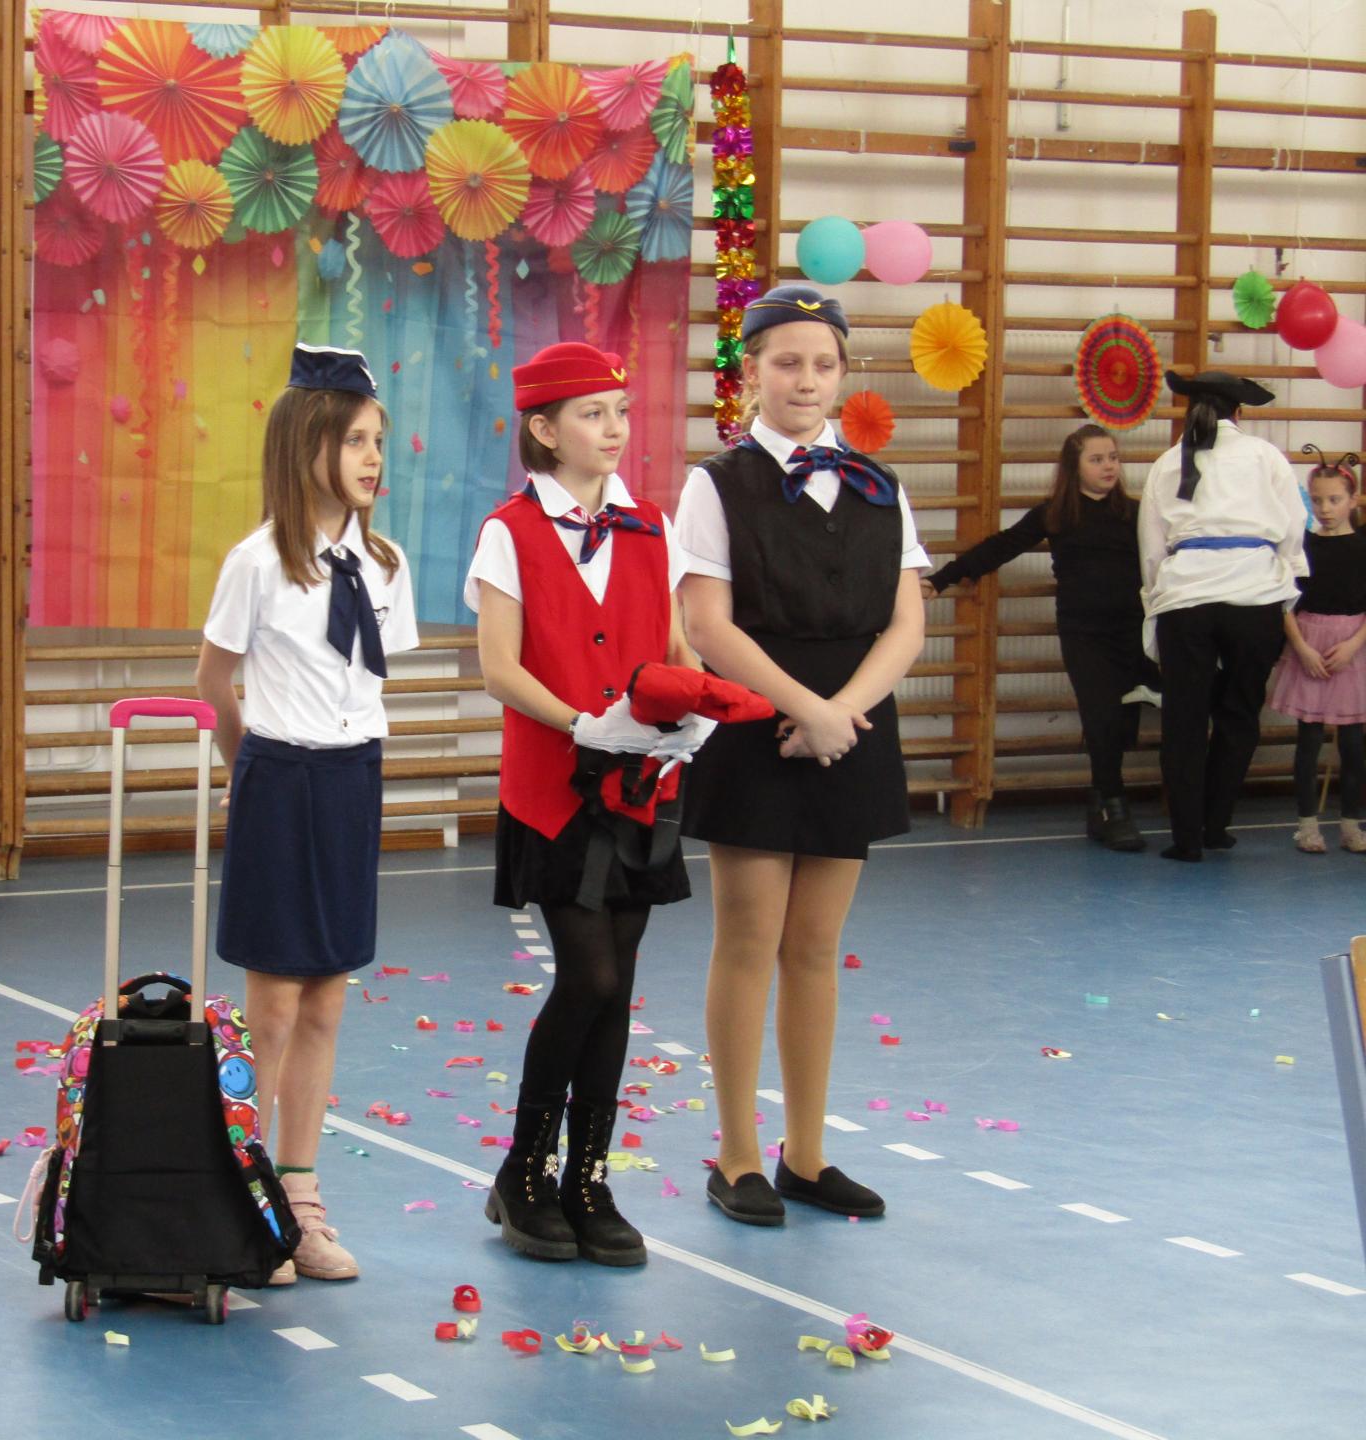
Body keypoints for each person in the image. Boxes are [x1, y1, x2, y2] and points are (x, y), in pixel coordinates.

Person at [674, 284, 927, 1227]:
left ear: (843, 373)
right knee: (749, 939)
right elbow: (708, 624)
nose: (807, 380)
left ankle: (806, 1156)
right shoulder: (717, 484)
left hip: (847, 728)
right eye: (787, 363)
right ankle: (738, 1155)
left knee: (817, 947)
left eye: (824, 364)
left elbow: (906, 622)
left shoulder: (879, 485)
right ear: (752, 372)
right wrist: (804, 708)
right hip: (756, 721)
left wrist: (841, 714)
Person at [466, 340, 712, 1267]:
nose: (614, 429)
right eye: (592, 414)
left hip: (644, 789)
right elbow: (500, 667)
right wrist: (582, 723)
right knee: (591, 978)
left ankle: (588, 1179)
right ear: (543, 429)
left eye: (620, 412)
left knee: (619, 990)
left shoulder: (652, 525)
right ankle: (524, 1171)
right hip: (554, 792)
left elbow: (676, 649)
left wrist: (698, 714)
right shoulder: (509, 532)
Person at [194, 343, 418, 1283]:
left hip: (352, 780)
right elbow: (214, 681)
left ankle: (301, 1198)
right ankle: (243, 1195)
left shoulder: (383, 564)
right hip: (280, 779)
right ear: (306, 447)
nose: (373, 458)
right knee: (274, 1005)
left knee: (327, 996)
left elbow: (369, 682)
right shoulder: (257, 563)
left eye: (378, 441)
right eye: (355, 440)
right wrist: (250, 773)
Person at [923, 424, 1160, 850]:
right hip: (1084, 634)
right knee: (1101, 717)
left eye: (1113, 458)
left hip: (1133, 632)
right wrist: (942, 579)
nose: (1109, 466)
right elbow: (1001, 546)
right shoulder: (1056, 514)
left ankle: (1099, 804)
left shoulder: (1137, 513)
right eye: (1097, 459)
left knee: (1123, 724)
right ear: (1074, 466)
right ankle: (1115, 806)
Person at [1139, 370, 1306, 861]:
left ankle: (1186, 838)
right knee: (1239, 715)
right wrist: (1284, 587)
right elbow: (1294, 528)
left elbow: (1151, 549)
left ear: (1190, 411)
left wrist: (1157, 598)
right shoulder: (1265, 456)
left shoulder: (1167, 463)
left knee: (1184, 720)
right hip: (1255, 593)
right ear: (1239, 412)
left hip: (1186, 596)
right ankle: (1216, 825)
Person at [1269, 449, 1366, 853]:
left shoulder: (1363, 545)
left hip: (1352, 649)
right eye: (1318, 500)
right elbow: (1285, 602)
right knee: (1308, 743)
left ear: (1353, 500)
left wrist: (1354, 645)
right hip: (1309, 645)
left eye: (1334, 499)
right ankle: (1307, 825)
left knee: (1354, 746)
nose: (1325, 509)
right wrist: (1301, 648)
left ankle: (1351, 825)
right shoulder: (1301, 546)